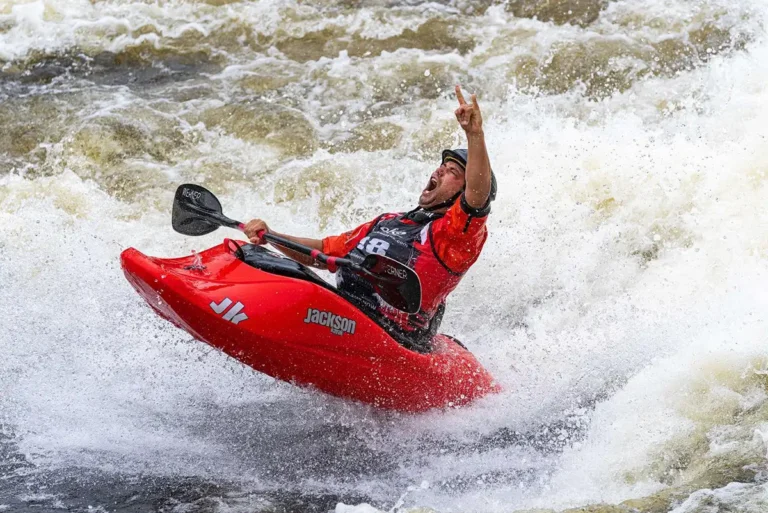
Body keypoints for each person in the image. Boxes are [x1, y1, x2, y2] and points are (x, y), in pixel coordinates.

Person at [243, 85, 496, 352]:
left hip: (394, 339)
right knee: (268, 264)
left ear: (462, 193)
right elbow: (321, 252)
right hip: (344, 317)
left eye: (452, 171)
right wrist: (270, 236)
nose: (440, 171)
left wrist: (474, 134)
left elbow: (477, 197)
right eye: (442, 166)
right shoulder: (387, 221)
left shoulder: (455, 236)